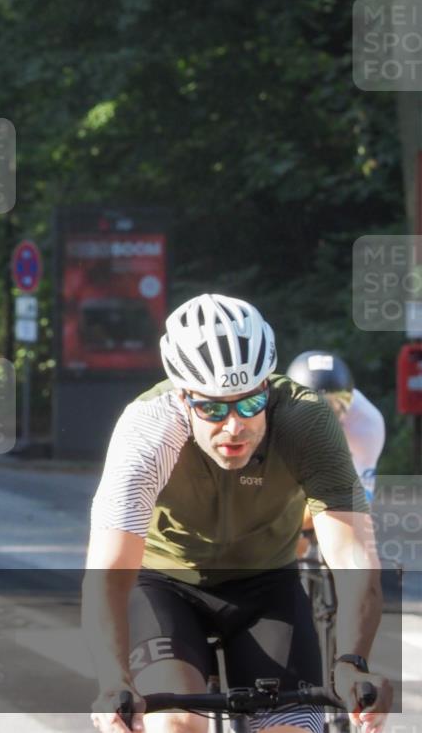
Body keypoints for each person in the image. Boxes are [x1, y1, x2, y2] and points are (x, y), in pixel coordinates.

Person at [83, 294, 391, 733]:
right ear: (184, 396)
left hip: (267, 582)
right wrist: (114, 680)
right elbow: (108, 572)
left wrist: (352, 663)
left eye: (248, 403)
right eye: (211, 407)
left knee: (293, 730)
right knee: (175, 724)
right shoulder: (148, 430)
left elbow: (354, 556)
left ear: (267, 387)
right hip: (166, 582)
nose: (233, 426)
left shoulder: (306, 421)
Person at [286, 351, 385, 504]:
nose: (324, 418)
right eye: (311, 406)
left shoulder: (367, 423)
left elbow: (358, 501)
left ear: (351, 400)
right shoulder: (271, 413)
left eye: (336, 405)